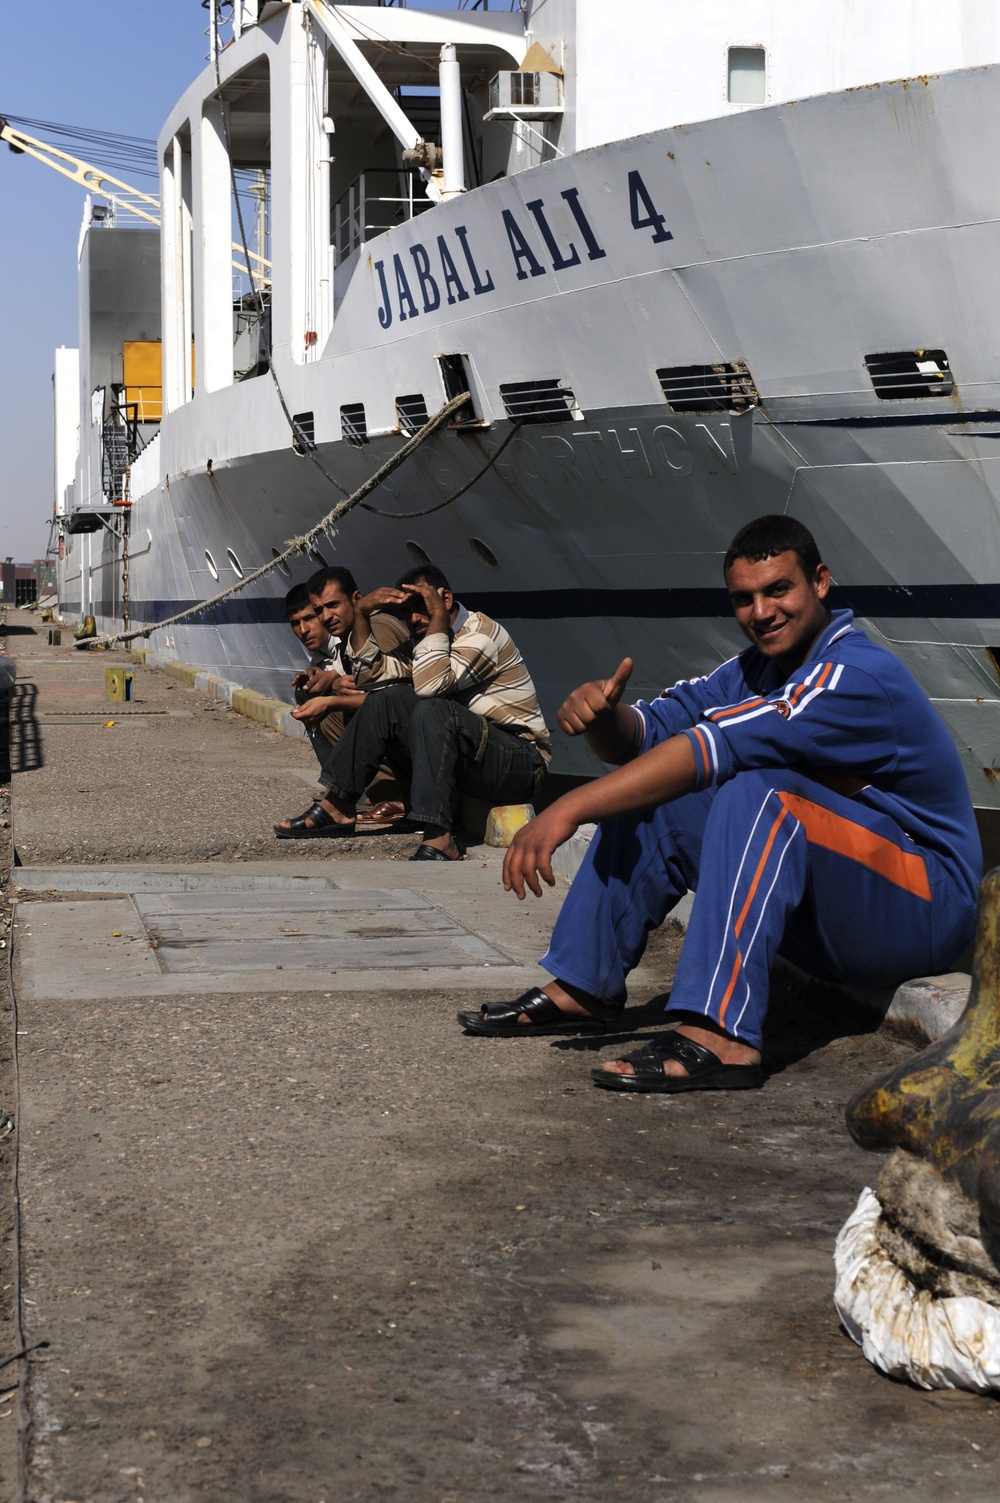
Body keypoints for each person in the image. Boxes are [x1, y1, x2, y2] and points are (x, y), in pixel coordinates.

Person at [457, 515, 982, 1094]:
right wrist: (606, 719)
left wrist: (567, 807)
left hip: (924, 909)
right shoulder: (754, 670)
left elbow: (715, 747)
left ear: (821, 582)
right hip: (845, 907)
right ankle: (584, 984)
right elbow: (649, 738)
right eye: (744, 599)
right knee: (660, 792)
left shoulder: (855, 676)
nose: (761, 612)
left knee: (760, 792)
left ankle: (721, 1034)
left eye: (778, 589)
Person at [274, 564, 551, 860]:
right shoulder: (424, 640)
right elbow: (373, 676)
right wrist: (362, 616)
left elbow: (433, 687)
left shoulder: (481, 634)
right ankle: (338, 805)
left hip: (520, 762)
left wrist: (438, 622)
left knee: (433, 708)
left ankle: (439, 837)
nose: (414, 618)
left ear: (445, 600)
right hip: (476, 757)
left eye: (422, 607)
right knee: (387, 699)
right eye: (407, 611)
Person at [279, 568, 409, 827]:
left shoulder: (378, 626)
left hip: (417, 744)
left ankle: (378, 795)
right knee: (312, 695)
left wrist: (331, 700)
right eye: (319, 610)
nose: (326, 617)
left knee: (326, 705)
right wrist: (331, 681)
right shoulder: (348, 639)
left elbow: (391, 703)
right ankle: (354, 792)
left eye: (333, 605)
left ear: (357, 599)